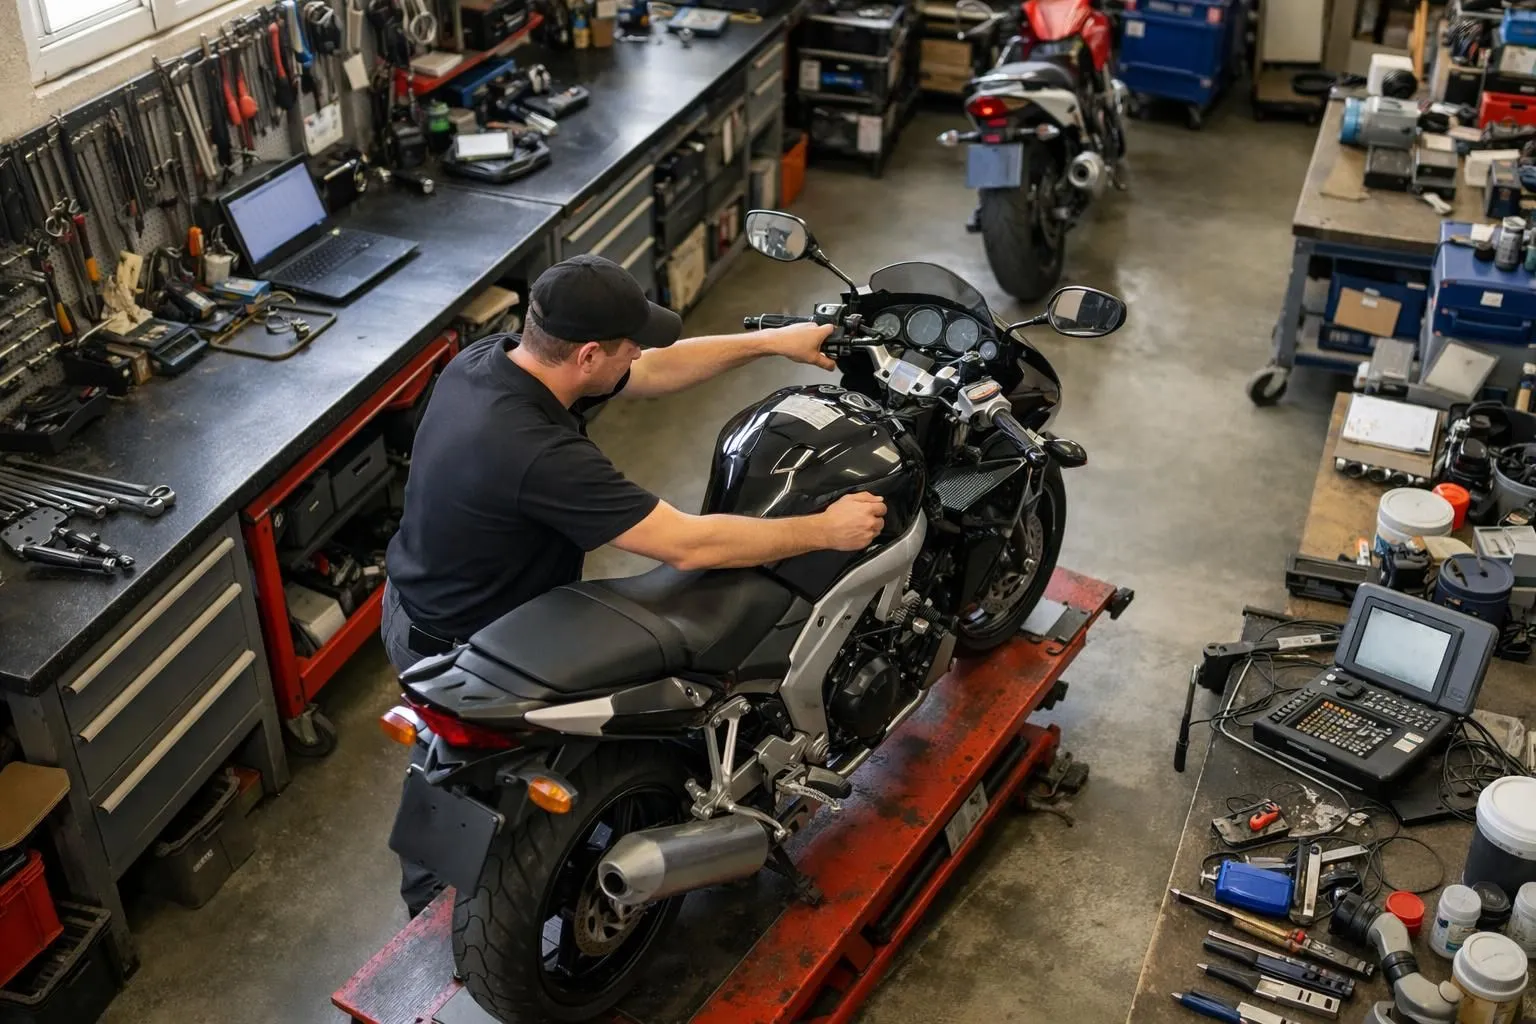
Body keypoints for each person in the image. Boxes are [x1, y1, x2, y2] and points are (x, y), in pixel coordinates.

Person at [380, 253, 886, 914]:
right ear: (588, 355)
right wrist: (825, 530)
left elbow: (647, 371)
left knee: (448, 777)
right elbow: (688, 542)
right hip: (474, 642)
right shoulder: (539, 452)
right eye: (626, 345)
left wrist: (772, 342)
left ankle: (445, 908)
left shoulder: (490, 363)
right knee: (490, 791)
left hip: (419, 604)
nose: (637, 355)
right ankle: (447, 928)